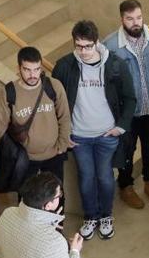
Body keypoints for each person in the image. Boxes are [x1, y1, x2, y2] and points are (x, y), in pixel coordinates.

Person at [54, 21, 136, 240]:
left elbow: (130, 98)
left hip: (106, 135)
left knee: (106, 177)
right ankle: (90, 217)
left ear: (97, 42)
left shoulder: (116, 65)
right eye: (79, 46)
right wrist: (64, 134)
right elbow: (56, 103)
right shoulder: (64, 66)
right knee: (86, 178)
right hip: (79, 136)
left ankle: (106, 216)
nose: (84, 51)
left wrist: (120, 127)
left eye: (88, 46)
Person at [102, 0, 149, 209]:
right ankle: (125, 186)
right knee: (127, 149)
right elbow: (107, 83)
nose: (136, 23)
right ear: (122, 19)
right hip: (128, 113)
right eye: (130, 19)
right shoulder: (111, 45)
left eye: (139, 17)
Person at [0, 46, 71, 186]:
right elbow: (1, 129)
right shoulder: (9, 92)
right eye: (27, 69)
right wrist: (13, 155)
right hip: (25, 159)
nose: (33, 75)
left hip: (54, 155)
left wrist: (62, 146)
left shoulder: (54, 86)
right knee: (26, 201)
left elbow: (64, 117)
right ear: (19, 68)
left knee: (56, 200)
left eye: (37, 69)